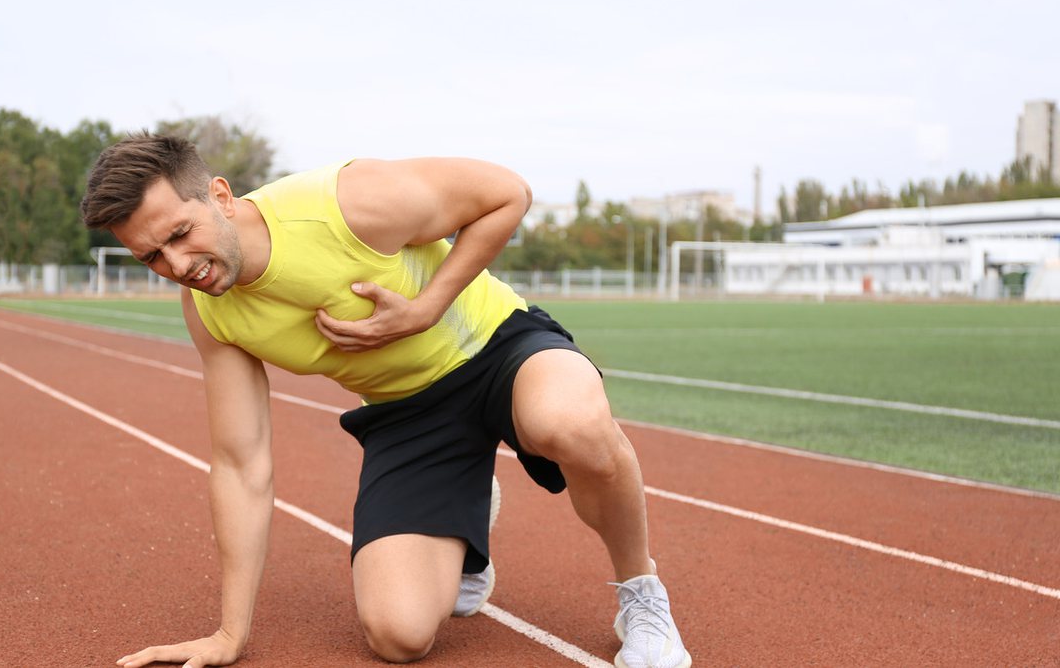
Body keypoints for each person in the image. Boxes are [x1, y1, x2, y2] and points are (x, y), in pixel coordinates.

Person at [80, 133, 692, 668]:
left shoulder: (346, 204)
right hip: (409, 413)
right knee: (397, 636)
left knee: (571, 425)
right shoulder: (212, 314)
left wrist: (426, 309)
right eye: (152, 257)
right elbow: (242, 464)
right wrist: (229, 633)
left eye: (180, 235)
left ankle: (642, 594)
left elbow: (507, 192)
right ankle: (469, 512)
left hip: (501, 349)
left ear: (219, 195)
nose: (178, 264)